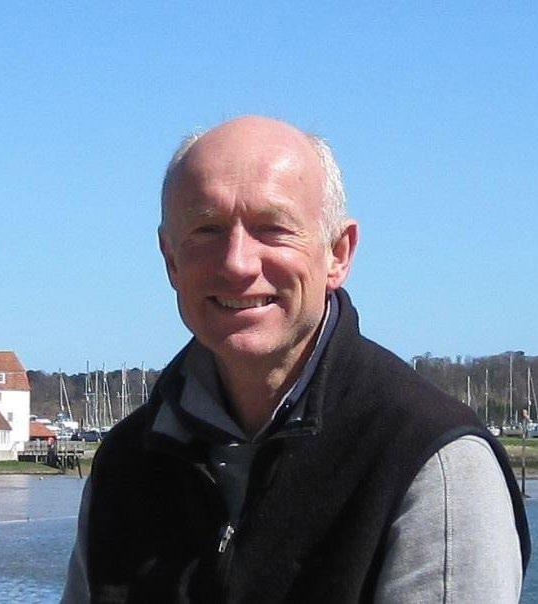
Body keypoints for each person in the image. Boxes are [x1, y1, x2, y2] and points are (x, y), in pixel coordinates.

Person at [62, 116, 530, 603]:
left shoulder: (431, 461)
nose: (237, 262)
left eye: (273, 229)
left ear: (338, 254)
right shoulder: (126, 463)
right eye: (207, 229)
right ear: (171, 259)